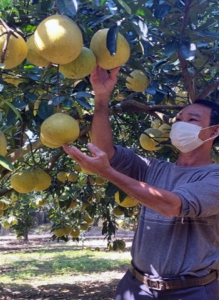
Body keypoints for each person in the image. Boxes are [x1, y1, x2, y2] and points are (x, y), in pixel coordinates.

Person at [63, 66, 219, 300]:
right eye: (178, 119)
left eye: (192, 119)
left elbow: (172, 206)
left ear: (213, 131)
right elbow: (104, 152)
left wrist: (108, 173)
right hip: (137, 287)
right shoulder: (153, 168)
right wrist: (101, 98)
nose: (180, 123)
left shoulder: (214, 177)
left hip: (192, 291)